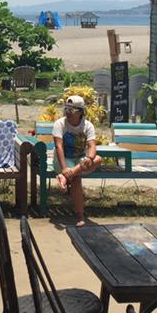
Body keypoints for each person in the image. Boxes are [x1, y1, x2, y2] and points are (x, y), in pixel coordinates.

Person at [52, 95, 102, 226]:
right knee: (76, 178)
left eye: (71, 110)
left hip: (80, 160)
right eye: (66, 110)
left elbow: (92, 146)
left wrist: (89, 158)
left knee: (98, 159)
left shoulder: (88, 126)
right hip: (62, 160)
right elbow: (59, 147)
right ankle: (80, 216)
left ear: (80, 111)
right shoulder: (60, 124)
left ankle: (64, 178)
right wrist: (64, 168)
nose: (68, 113)